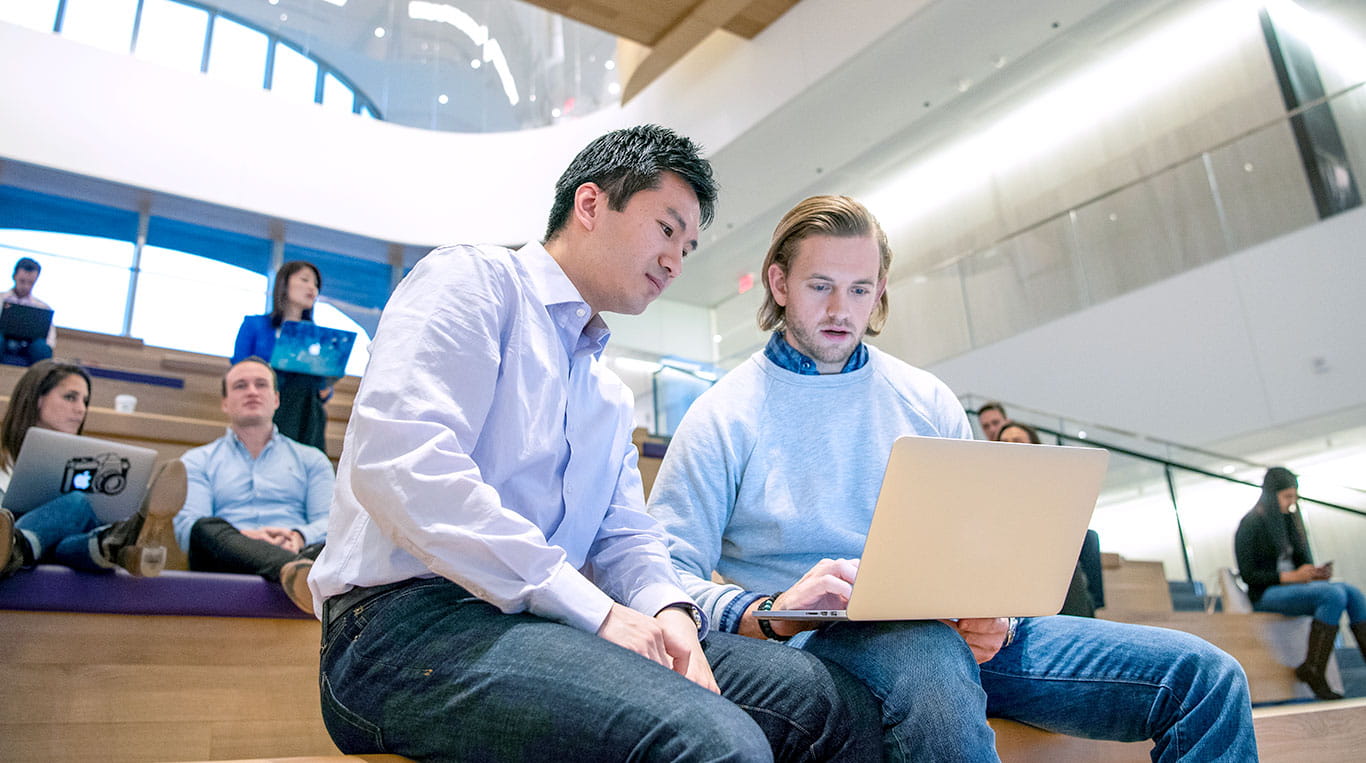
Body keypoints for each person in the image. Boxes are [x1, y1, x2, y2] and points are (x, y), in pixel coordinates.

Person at [308, 126, 880, 761]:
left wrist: (671, 615)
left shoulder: (606, 393)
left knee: (824, 700)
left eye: (687, 247)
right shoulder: (472, 281)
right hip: (398, 628)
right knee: (714, 740)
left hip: (542, 619)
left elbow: (625, 537)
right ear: (589, 205)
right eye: (667, 230)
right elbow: (402, 469)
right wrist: (600, 614)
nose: (675, 261)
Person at [648, 195, 1257, 761]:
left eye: (860, 289)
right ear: (779, 284)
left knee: (1206, 678)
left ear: (881, 289)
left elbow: (981, 548)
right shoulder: (723, 415)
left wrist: (999, 615)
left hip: (962, 633)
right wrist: (772, 608)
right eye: (821, 286)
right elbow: (664, 574)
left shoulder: (924, 398)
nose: (841, 309)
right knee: (934, 661)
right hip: (823, 642)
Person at [173, 357, 333, 613]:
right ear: (225, 402)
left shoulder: (312, 460)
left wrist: (298, 536)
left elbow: (329, 524)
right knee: (201, 528)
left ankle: (293, 568)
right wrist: (246, 539)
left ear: (276, 399)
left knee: (338, 539)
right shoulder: (197, 461)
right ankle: (292, 569)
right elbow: (188, 530)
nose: (251, 391)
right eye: (240, 386)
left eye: (261, 384)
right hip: (228, 558)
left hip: (300, 548)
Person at [0, 360, 185, 580]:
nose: (81, 409)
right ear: (37, 399)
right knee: (78, 503)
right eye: (70, 397)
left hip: (39, 553)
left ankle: (19, 549)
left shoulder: (86, 459)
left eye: (85, 401)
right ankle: (117, 544)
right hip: (8, 526)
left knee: (69, 538)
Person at [1236, 466, 1366, 700]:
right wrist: (1292, 577)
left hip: (1297, 588)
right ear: (1271, 495)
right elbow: (1249, 576)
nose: (1291, 502)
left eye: (1293, 497)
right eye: (1287, 497)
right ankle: (1314, 669)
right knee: (1333, 596)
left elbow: (1302, 563)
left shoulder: (1289, 522)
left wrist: (1314, 574)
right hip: (1265, 594)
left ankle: (1315, 667)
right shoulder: (1250, 524)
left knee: (1352, 593)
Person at [993, 419, 1099, 617]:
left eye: (1017, 440)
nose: (1010, 446)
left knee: (1083, 542)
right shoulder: (992, 483)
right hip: (1012, 548)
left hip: (1051, 546)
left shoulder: (1052, 480)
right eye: (1004, 441)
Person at [232, 261, 331, 452]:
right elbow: (238, 370)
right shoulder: (254, 325)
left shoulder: (315, 337)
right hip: (266, 404)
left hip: (306, 411)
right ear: (284, 284)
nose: (312, 288)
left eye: (316, 285)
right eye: (305, 280)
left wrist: (326, 388)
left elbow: (322, 383)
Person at [1, 257, 56, 365]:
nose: (26, 286)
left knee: (42, 348)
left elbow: (50, 338)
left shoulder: (42, 307)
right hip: (3, 343)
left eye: (31, 283)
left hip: (29, 347)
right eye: (22, 281)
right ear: (14, 276)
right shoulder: (1, 299)